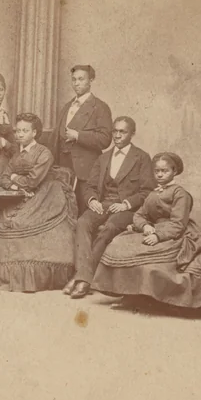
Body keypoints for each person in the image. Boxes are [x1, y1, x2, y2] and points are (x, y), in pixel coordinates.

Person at [93, 152, 201, 312]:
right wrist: (145, 226)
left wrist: (158, 236)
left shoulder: (180, 193)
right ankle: (130, 294)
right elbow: (139, 215)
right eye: (157, 171)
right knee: (118, 244)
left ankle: (155, 298)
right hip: (152, 229)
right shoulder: (153, 193)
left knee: (148, 259)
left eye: (164, 171)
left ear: (174, 171)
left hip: (175, 234)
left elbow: (178, 224)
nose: (159, 174)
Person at [67, 116, 155, 299]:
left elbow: (147, 191)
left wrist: (125, 204)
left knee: (110, 227)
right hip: (103, 204)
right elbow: (90, 186)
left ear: (132, 134)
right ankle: (83, 275)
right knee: (83, 222)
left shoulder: (142, 157)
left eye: (122, 131)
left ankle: (82, 279)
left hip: (128, 209)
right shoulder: (103, 157)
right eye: (115, 131)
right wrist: (92, 201)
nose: (117, 135)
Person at [0, 113, 76, 292]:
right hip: (22, 194)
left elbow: (34, 181)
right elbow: (3, 177)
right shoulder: (17, 155)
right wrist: (14, 186)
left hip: (47, 195)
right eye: (18, 131)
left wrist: (15, 179)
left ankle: (37, 276)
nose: (20, 135)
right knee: (6, 221)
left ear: (34, 133)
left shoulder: (44, 153)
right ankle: (8, 274)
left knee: (25, 222)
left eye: (25, 131)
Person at [53, 64, 113, 212]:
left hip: (86, 170)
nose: (76, 83)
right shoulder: (67, 106)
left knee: (82, 209)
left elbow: (105, 139)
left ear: (91, 80)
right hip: (63, 167)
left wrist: (78, 136)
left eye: (81, 79)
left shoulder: (100, 107)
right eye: (74, 79)